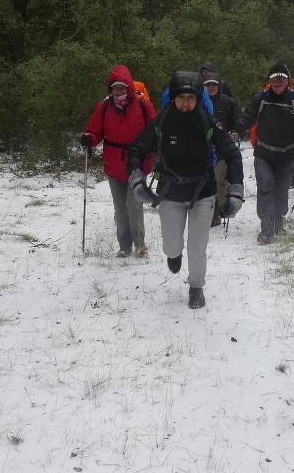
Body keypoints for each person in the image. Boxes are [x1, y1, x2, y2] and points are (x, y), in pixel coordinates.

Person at [127, 71, 244, 308]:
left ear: (198, 99)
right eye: (181, 98)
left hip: (203, 191)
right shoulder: (162, 121)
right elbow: (137, 150)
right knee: (171, 245)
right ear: (173, 98)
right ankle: (174, 253)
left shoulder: (208, 122)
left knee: (197, 244)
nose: (185, 104)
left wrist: (236, 191)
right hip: (170, 192)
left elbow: (232, 155)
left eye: (191, 98)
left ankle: (196, 287)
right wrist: (137, 180)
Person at [235, 63, 294, 244]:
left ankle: (278, 221)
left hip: (286, 154)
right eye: (274, 78)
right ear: (269, 81)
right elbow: (248, 116)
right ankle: (266, 228)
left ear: (287, 81)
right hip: (264, 153)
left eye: (281, 78)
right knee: (266, 187)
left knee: (281, 192)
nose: (278, 81)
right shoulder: (260, 98)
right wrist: (237, 128)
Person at [82, 64, 157, 257]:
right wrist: (89, 138)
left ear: (129, 88)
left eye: (122, 87)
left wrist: (157, 146)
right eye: (115, 87)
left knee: (135, 206)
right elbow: (95, 130)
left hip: (136, 164)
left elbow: (156, 130)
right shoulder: (104, 106)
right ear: (110, 89)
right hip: (113, 163)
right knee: (120, 209)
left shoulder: (143, 105)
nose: (119, 91)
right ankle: (124, 246)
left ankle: (140, 244)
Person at [202, 72, 241, 227]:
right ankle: (209, 212)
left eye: (214, 84)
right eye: (207, 85)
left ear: (219, 86)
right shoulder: (198, 103)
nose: (211, 87)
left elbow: (238, 122)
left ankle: (217, 212)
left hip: (222, 151)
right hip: (203, 150)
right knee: (206, 182)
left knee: (218, 180)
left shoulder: (228, 102)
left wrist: (236, 133)